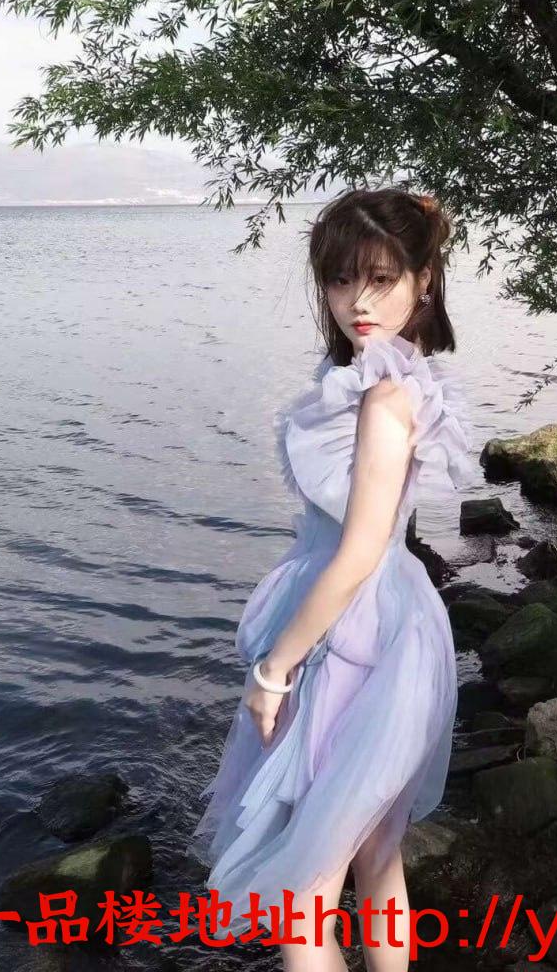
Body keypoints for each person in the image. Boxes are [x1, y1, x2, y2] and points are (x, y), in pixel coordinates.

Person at [190, 186, 475, 968]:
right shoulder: (388, 375)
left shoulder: (384, 398)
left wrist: (274, 670)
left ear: (424, 280)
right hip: (390, 620)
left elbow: (357, 552)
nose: (358, 301)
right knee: (377, 856)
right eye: (342, 279)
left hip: (350, 632)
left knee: (305, 891)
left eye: (381, 278)